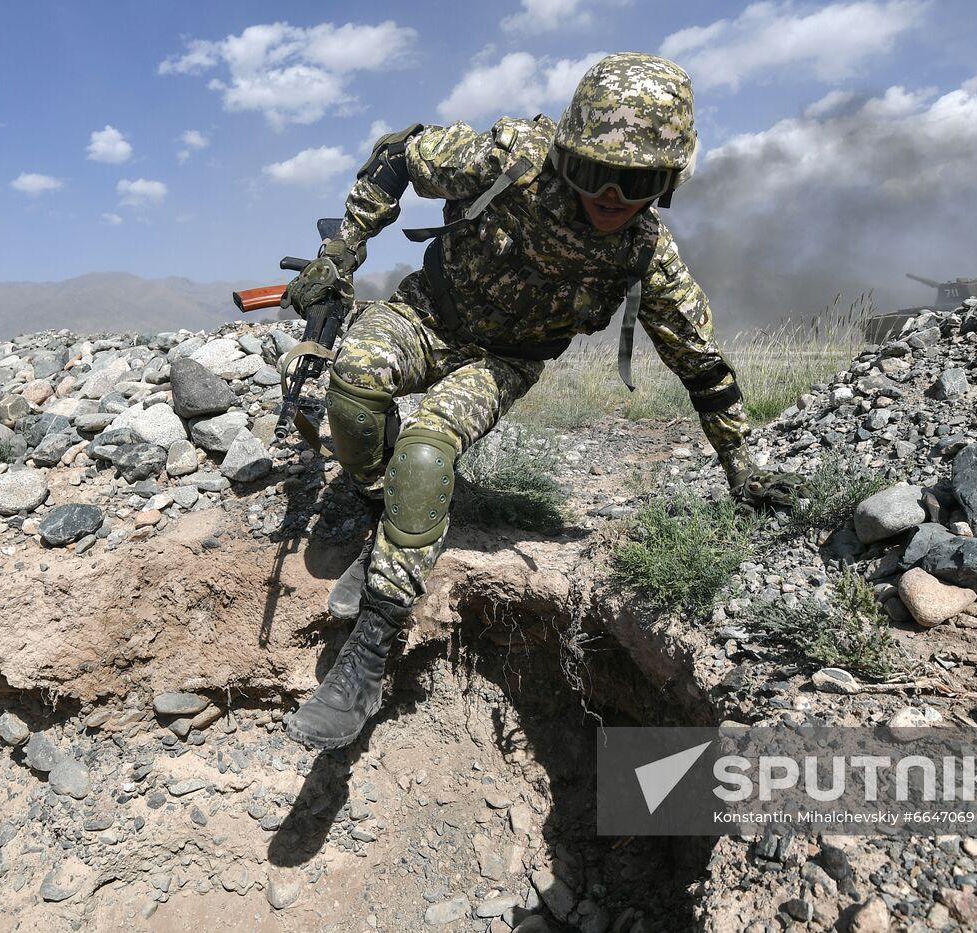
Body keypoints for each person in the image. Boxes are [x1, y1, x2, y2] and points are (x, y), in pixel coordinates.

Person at [281, 52, 802, 749]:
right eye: (594, 173)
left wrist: (745, 471)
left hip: (504, 361)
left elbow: (701, 367)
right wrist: (339, 256)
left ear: (670, 183)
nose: (613, 196)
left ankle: (369, 656)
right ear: (565, 156)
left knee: (427, 448)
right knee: (353, 387)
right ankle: (385, 510)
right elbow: (398, 156)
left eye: (639, 182)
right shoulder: (508, 161)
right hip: (427, 314)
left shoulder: (646, 255)